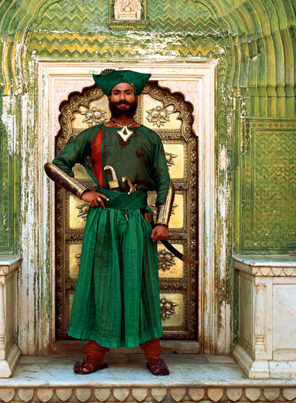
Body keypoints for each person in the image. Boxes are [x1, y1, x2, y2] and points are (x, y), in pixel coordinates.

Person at [45, 68, 174, 376]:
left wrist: (162, 222)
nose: (122, 97)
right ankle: (94, 355)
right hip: (103, 220)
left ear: (136, 96)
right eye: (117, 93)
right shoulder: (92, 135)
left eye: (127, 92)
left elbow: (166, 182)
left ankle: (153, 355)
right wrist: (83, 191)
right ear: (109, 98)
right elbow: (54, 165)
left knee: (141, 283)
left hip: (138, 222)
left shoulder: (150, 137)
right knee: (100, 285)